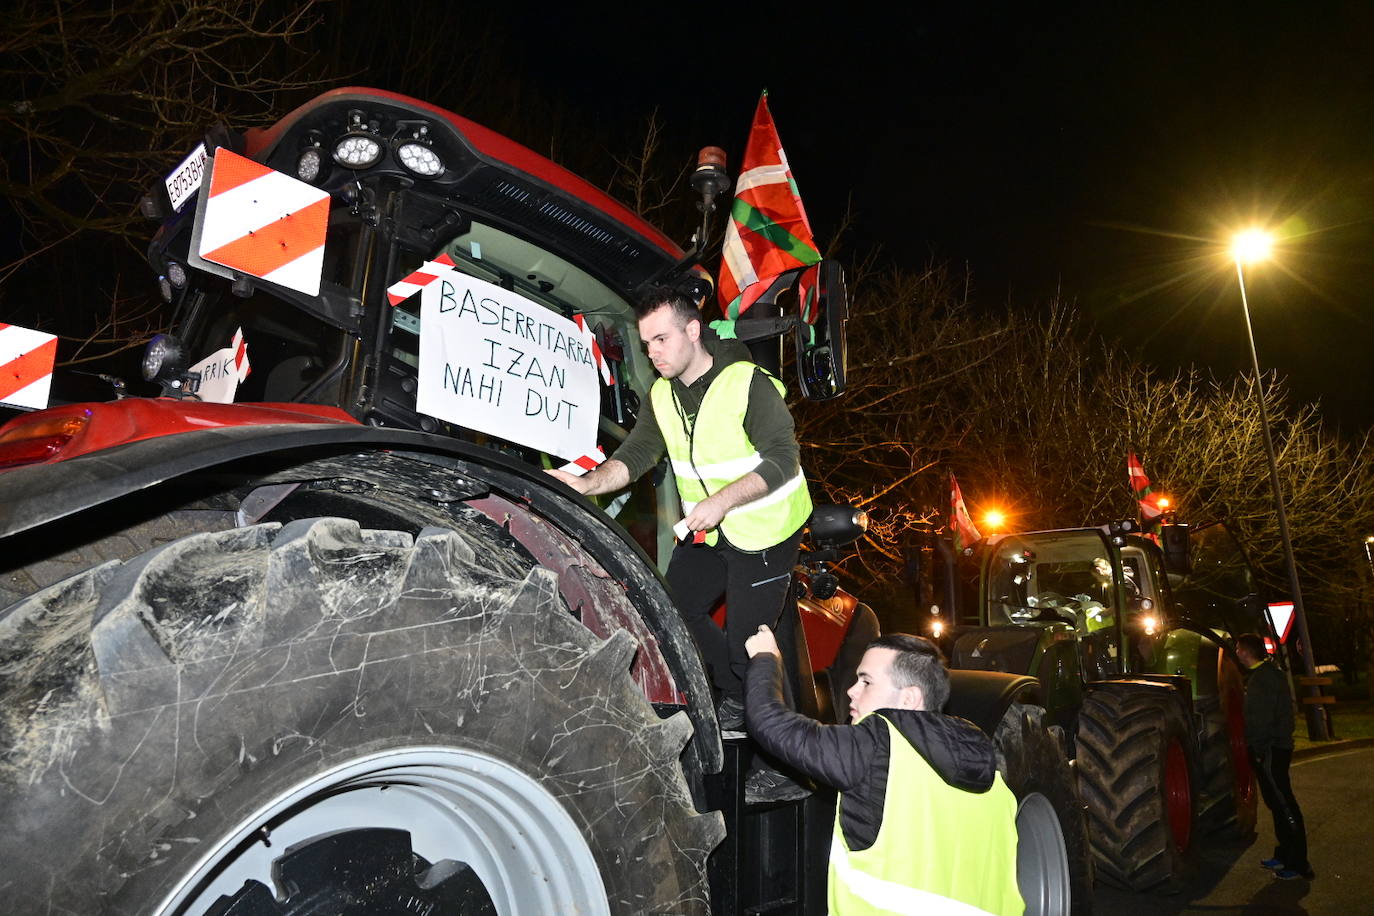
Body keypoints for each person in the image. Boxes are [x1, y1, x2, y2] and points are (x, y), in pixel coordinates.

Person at [546, 285, 811, 736]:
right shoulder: (662, 395)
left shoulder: (748, 383)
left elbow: (785, 460)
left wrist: (721, 501)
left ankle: (780, 758)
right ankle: (736, 696)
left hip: (767, 530)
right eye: (646, 344)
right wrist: (586, 484)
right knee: (674, 609)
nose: (653, 354)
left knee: (747, 645)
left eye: (661, 340)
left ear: (693, 330)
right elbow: (635, 455)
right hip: (709, 530)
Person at [744, 627, 1024, 915]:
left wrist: (766, 657)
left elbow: (770, 722)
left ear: (909, 699)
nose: (852, 690)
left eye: (866, 682)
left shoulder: (876, 747)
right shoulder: (996, 786)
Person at [1234, 632, 1313, 881]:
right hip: (1271, 749)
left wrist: (1257, 750)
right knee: (1276, 805)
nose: (1236, 653)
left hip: (1270, 751)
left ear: (1246, 652)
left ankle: (1299, 864)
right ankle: (1283, 855)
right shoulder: (1265, 674)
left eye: (1238, 649)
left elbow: (1262, 721)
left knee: (1284, 804)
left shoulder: (1263, 679)